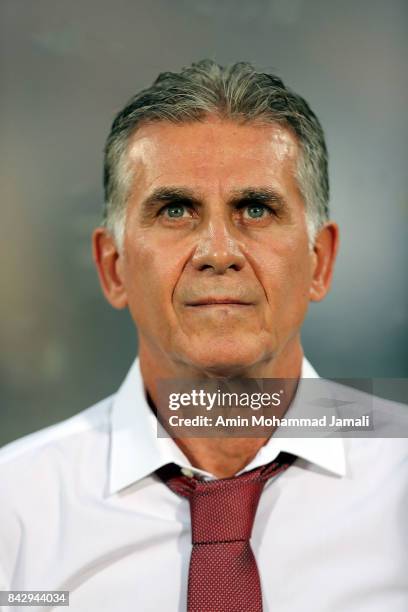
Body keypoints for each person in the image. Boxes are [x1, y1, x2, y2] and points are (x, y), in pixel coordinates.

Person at [0, 60, 407, 612]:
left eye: (256, 209)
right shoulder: (14, 509)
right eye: (175, 210)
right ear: (113, 267)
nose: (218, 253)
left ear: (320, 261)